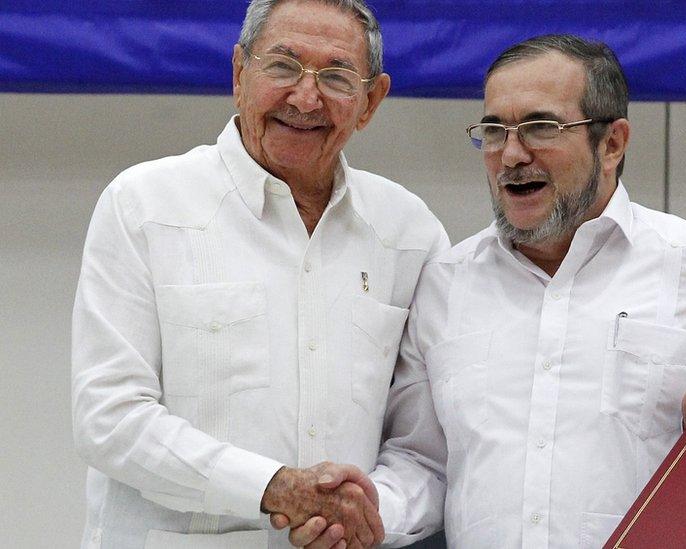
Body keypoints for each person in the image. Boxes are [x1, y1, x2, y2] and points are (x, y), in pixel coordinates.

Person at [282, 34, 686, 548]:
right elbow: (427, 463)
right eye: (495, 130)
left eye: (541, 127)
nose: (512, 155)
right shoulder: (445, 285)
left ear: (611, 144)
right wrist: (365, 510)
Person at [70, 0, 447, 547]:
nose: (305, 97)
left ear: (371, 101)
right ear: (239, 74)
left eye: (337, 77)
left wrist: (366, 513)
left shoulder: (408, 232)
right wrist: (272, 488)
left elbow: (425, 446)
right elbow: (109, 418)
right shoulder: (144, 205)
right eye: (283, 66)